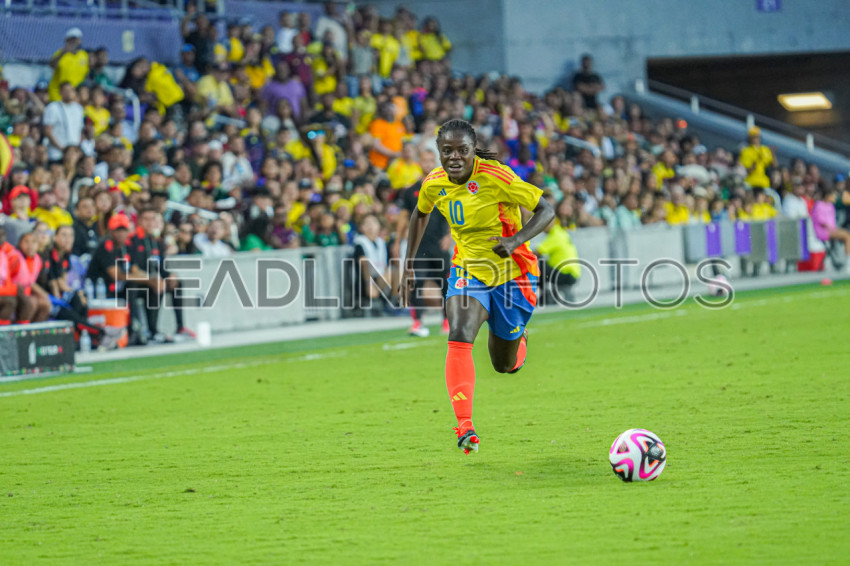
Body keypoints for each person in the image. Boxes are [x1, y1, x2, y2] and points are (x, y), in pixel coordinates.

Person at [399, 119, 555, 455]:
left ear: (473, 151)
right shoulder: (434, 183)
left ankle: (518, 343)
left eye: (462, 150)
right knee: (459, 332)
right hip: (468, 270)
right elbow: (420, 214)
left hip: (513, 275)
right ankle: (464, 425)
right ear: (439, 152)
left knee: (503, 364)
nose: (454, 157)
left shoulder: (497, 176)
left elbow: (546, 210)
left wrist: (515, 240)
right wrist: (409, 263)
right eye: (447, 151)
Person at [42, 82, 84, 162]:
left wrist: (76, 150)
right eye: (66, 90)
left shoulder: (79, 109)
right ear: (60, 92)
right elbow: (47, 131)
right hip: (56, 152)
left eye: (71, 90)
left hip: (73, 153)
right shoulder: (53, 107)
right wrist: (62, 149)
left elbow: (80, 130)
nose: (69, 93)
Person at [47, 28, 89, 102]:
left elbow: (86, 74)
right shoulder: (60, 54)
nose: (74, 42)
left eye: (76, 39)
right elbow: (51, 65)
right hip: (57, 95)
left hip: (75, 96)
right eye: (71, 40)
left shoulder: (84, 55)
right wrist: (63, 52)